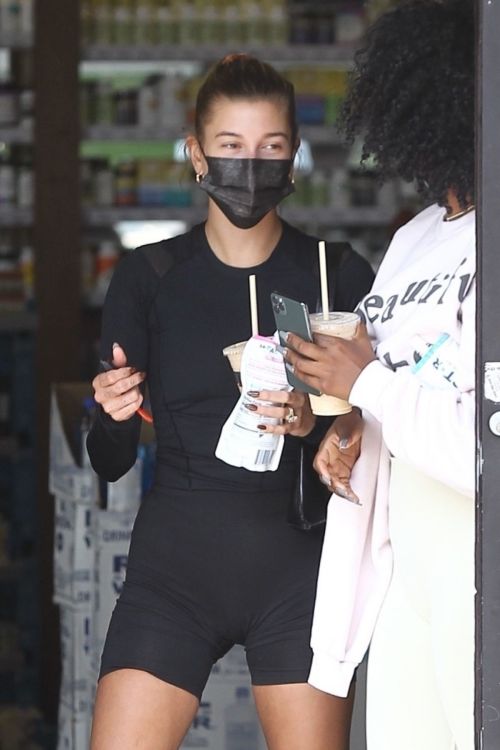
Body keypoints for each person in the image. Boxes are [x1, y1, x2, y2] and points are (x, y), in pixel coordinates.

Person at [86, 53, 374, 750]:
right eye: (231, 148)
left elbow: (372, 431)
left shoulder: (338, 274)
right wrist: (114, 414)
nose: (252, 164)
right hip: (173, 573)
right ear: (196, 155)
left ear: (294, 157)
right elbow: (109, 460)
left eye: (271, 148)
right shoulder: (149, 276)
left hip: (301, 572)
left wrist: (322, 425)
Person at [284, 1, 476, 748]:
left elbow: (482, 438)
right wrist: (348, 425)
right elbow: (380, 372)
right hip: (399, 544)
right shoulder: (414, 238)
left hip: (470, 538)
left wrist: (365, 387)